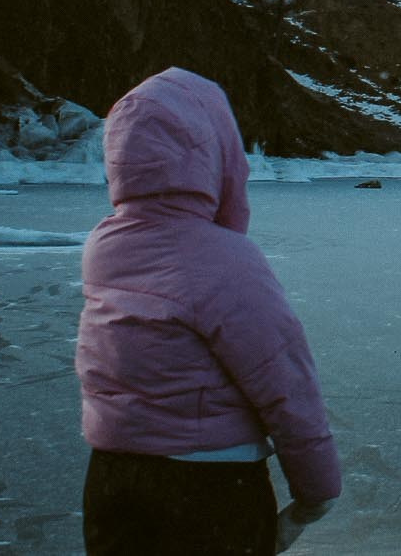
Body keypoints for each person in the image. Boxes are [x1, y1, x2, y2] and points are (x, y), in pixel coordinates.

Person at [77, 68, 341, 554]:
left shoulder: (106, 244)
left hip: (113, 480)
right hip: (209, 492)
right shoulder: (225, 261)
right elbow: (284, 381)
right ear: (215, 152)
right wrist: (316, 492)